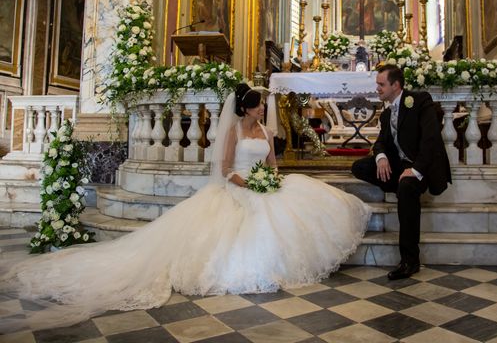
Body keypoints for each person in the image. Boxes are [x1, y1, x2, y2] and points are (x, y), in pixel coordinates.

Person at [0, 84, 371, 332]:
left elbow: (273, 164)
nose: (263, 111)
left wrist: (270, 179)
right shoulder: (234, 132)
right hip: (238, 187)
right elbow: (226, 170)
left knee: (300, 202)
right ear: (247, 107)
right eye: (260, 106)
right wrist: (250, 183)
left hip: (261, 184)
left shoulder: (266, 132)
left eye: (263, 107)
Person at [352, 64, 451, 280]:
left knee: (406, 188)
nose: (377, 88)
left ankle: (410, 260)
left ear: (395, 85)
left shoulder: (419, 101)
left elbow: (431, 140)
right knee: (359, 166)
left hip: (420, 166)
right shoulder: (387, 114)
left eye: (381, 84)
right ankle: (397, 183)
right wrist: (382, 157)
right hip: (398, 166)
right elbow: (380, 143)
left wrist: (415, 170)